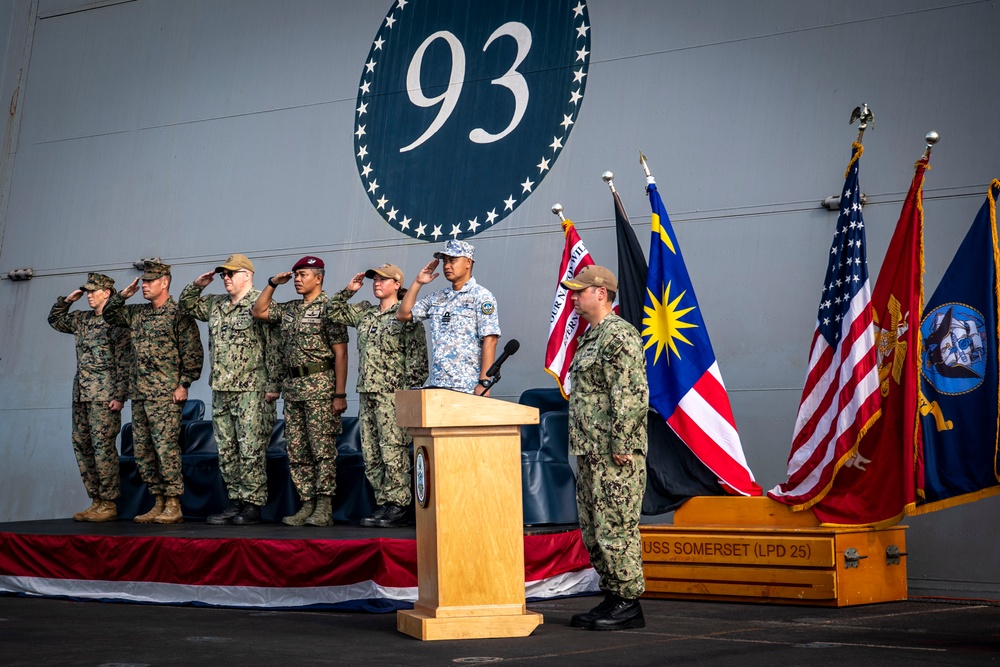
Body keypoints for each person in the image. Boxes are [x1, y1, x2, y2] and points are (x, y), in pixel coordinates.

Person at [561, 265, 648, 631]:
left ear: (601, 293)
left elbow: (630, 394)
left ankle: (628, 602)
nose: (574, 296)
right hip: (590, 449)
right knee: (595, 528)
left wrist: (623, 443)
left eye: (580, 291)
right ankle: (614, 595)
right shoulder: (591, 337)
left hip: (615, 452)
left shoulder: (619, 336)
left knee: (616, 525)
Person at [179, 254, 281, 526]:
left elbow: (273, 347)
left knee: (251, 448)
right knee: (227, 450)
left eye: (231, 273)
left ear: (247, 275)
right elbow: (186, 305)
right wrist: (198, 285)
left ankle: (252, 504)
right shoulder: (216, 304)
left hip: (252, 389)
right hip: (222, 389)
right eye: (223, 274)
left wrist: (273, 385)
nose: (225, 278)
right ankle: (235, 501)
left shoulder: (261, 302)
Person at [103, 261, 204, 524]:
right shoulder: (137, 313)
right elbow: (110, 315)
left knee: (165, 448)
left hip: (166, 394)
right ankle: (157, 500)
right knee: (143, 451)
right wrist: (122, 296)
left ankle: (173, 503)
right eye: (143, 281)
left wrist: (184, 384)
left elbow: (192, 352)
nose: (144, 286)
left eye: (149, 281)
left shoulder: (178, 313)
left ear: (165, 282)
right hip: (140, 393)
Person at [329, 264, 428, 528]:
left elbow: (418, 360)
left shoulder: (406, 316)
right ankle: (384, 502)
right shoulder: (366, 313)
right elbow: (332, 312)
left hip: (393, 394)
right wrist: (348, 291)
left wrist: (407, 395)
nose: (377, 283)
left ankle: (399, 504)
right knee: (371, 452)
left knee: (392, 449)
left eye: (384, 280)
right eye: (375, 279)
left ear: (397, 284)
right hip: (367, 392)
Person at [252, 255, 348, 527]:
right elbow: (259, 311)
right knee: (297, 449)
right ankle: (307, 503)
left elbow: (341, 354)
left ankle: (324, 506)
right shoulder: (291, 309)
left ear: (319, 278)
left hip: (320, 386)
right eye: (295, 275)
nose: (297, 279)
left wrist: (339, 394)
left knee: (322, 450)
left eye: (303, 275)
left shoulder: (330, 308)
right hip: (293, 389)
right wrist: (272, 284)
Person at [47, 273, 129, 522]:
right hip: (81, 393)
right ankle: (95, 499)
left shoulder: (117, 321)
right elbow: (55, 320)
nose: (89, 295)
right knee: (82, 445)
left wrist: (120, 395)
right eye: (87, 291)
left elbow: (124, 361)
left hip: (105, 395)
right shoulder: (82, 319)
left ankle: (109, 502)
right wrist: (67, 300)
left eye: (94, 291)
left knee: (102, 448)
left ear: (108, 292)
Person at [396, 240, 499, 395]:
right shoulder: (438, 297)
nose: (447, 266)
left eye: (453, 260)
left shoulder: (482, 297)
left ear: (468, 262)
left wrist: (484, 382)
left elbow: (490, 339)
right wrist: (418, 282)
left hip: (467, 386)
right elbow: (403, 314)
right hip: (438, 384)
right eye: (445, 261)